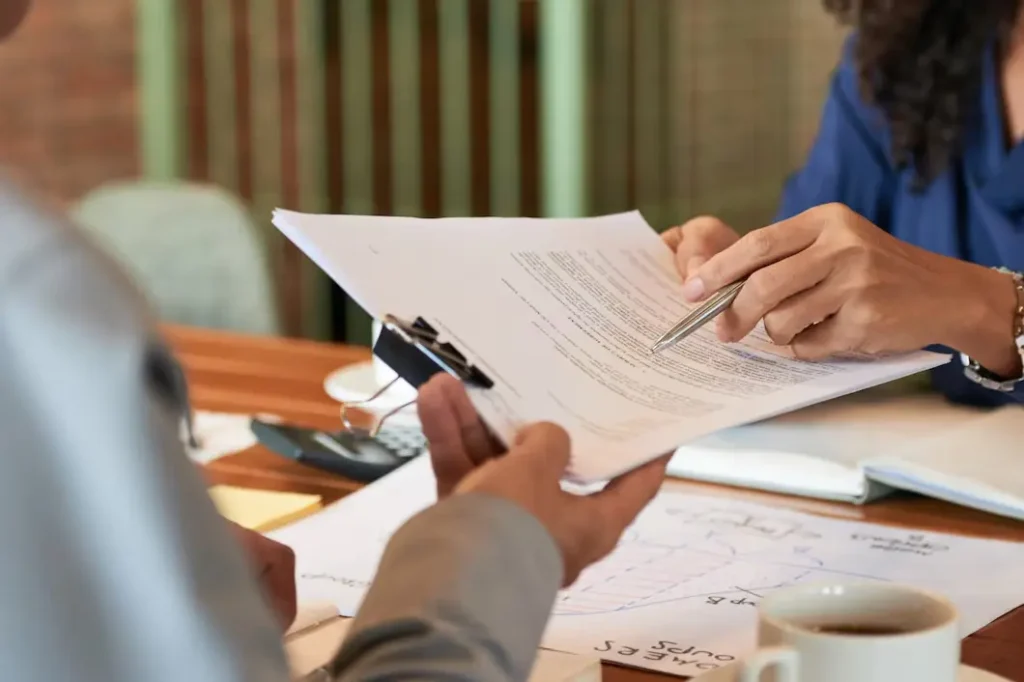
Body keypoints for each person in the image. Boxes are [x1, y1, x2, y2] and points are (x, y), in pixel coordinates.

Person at [665, 0, 1024, 408]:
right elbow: (814, 278)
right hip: (916, 455)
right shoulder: (905, 47)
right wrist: (750, 280)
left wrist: (983, 307)